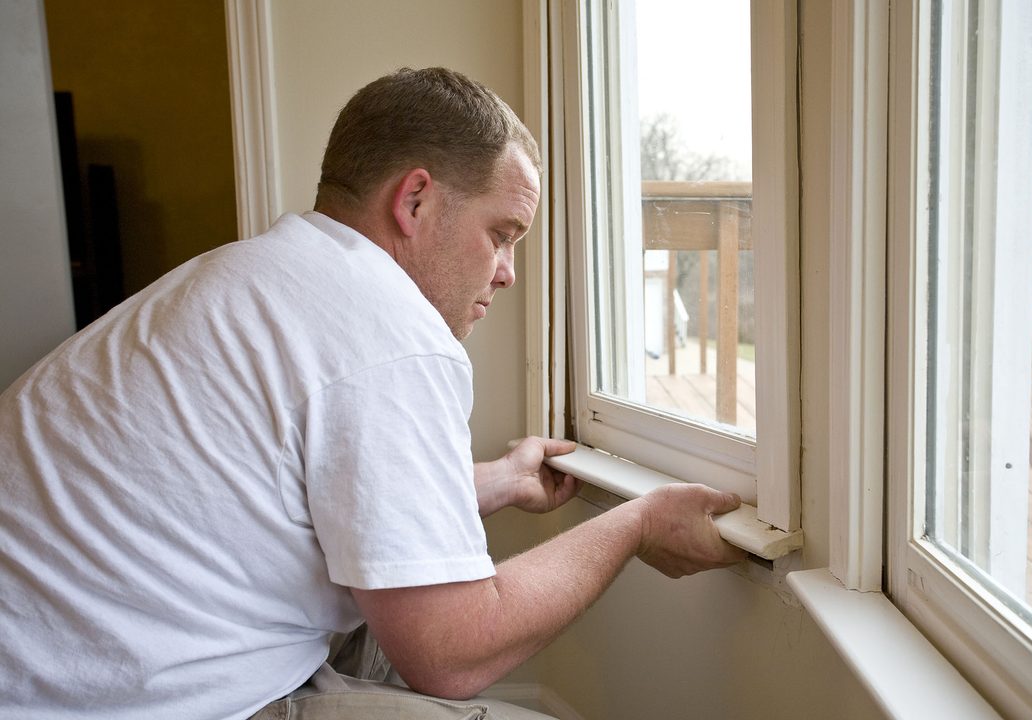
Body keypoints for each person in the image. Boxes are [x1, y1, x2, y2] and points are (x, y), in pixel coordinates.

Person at [0, 67, 746, 719]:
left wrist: (498, 480)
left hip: (57, 670)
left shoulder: (257, 277)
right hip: (115, 701)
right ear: (415, 200)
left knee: (379, 616)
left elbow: (304, 493)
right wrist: (636, 525)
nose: (508, 272)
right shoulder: (387, 333)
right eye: (502, 234)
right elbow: (452, 654)